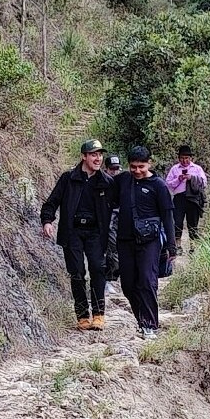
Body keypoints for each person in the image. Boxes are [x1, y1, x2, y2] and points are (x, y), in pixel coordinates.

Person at [40, 139, 113, 331]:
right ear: (84, 156)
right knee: (77, 273)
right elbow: (51, 202)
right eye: (94, 155)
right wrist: (47, 221)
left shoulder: (106, 182)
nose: (98, 159)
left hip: (96, 232)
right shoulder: (68, 178)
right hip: (72, 231)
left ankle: (99, 315)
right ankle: (82, 316)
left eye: (100, 155)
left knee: (97, 268)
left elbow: (119, 205)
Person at [109, 146, 176, 339]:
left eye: (141, 167)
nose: (137, 170)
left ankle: (150, 324)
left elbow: (167, 216)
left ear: (149, 164)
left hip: (150, 241)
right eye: (133, 167)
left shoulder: (158, 186)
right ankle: (141, 319)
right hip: (125, 240)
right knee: (128, 284)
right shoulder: (122, 180)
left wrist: (171, 246)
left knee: (147, 280)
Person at [165, 144, 208, 254]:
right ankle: (178, 246)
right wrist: (178, 179)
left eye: (187, 158)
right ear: (179, 158)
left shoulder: (197, 169)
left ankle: (193, 247)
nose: (184, 160)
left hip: (193, 199)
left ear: (191, 158)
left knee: (193, 223)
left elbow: (204, 183)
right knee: (177, 222)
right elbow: (168, 184)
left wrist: (192, 178)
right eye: (182, 158)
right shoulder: (175, 169)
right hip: (179, 199)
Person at [103, 154, 122, 293]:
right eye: (112, 169)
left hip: (120, 220)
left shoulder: (124, 182)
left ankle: (111, 279)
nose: (114, 172)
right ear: (106, 169)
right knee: (108, 251)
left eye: (116, 169)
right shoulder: (101, 181)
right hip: (105, 221)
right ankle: (106, 280)